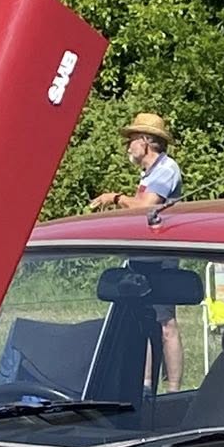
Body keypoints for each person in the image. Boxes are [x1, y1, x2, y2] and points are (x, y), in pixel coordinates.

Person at [91, 113, 185, 387]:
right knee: (143, 322)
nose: (127, 147)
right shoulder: (150, 173)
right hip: (144, 257)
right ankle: (144, 386)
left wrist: (115, 198)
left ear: (146, 141)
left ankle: (173, 390)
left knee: (165, 324)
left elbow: (146, 207)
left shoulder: (167, 169)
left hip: (162, 258)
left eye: (131, 140)